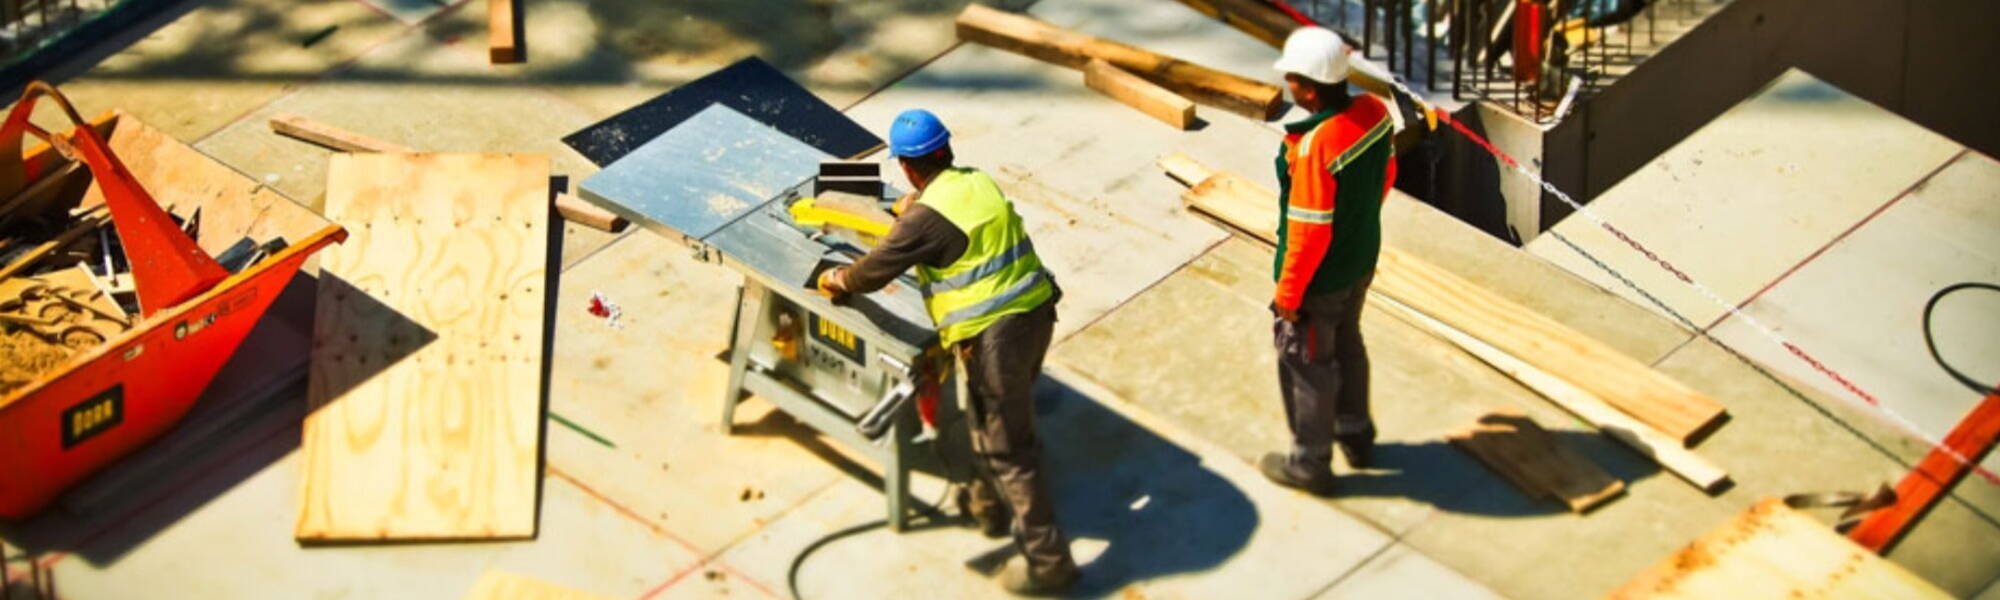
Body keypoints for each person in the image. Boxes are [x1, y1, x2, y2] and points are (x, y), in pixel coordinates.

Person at [816, 109, 1078, 595]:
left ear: (907, 166)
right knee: (990, 419)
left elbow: (872, 273)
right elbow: (949, 217)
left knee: (1008, 448)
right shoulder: (974, 182)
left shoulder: (923, 221)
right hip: (1037, 314)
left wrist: (837, 278)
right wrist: (916, 206)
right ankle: (987, 505)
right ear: (945, 150)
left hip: (995, 338)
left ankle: (1049, 561)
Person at [1260, 26, 1398, 496]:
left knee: (1307, 364)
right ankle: (1357, 436)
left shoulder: (1317, 143)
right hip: (1360, 262)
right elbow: (1387, 174)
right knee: (1349, 345)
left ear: (1310, 87)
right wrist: (1358, 230)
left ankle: (1310, 465)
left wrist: (1289, 294)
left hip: (1321, 281)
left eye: (1293, 79)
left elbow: (1308, 230)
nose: (1288, 87)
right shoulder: (1374, 113)